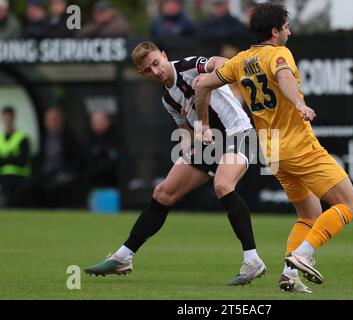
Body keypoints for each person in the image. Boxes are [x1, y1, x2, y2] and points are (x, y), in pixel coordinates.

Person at [195, 3, 353, 293]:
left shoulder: (240, 60)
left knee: (309, 214)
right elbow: (284, 77)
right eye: (285, 27)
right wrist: (299, 103)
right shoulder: (279, 54)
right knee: (348, 204)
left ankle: (289, 274)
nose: (289, 32)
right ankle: (303, 255)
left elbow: (202, 86)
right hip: (297, 145)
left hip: (270, 151)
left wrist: (202, 123)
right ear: (274, 31)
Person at [84, 41, 268, 287]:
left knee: (223, 185)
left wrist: (215, 74)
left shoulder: (188, 66)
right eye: (149, 70)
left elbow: (219, 63)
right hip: (209, 143)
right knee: (162, 193)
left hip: (239, 133)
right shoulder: (167, 98)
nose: (156, 71)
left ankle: (252, 260)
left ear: (164, 55)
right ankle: (123, 257)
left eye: (156, 63)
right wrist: (188, 147)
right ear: (142, 73)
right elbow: (185, 131)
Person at [22, 107, 84, 208]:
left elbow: (77, 160)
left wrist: (69, 173)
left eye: (54, 120)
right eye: (49, 120)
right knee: (29, 187)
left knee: (60, 187)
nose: (51, 124)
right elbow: (38, 159)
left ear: (60, 121)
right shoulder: (43, 138)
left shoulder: (69, 138)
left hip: (61, 175)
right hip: (44, 175)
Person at [0, 107, 31, 207]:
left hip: (19, 178)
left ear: (14, 118)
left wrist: (4, 159)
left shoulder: (22, 137)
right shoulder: (0, 138)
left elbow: (22, 160)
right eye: (6, 117)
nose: (8, 120)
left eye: (10, 117)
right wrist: (12, 157)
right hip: (3, 178)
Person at [87, 111, 118, 189]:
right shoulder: (89, 140)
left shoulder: (116, 138)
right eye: (96, 121)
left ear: (108, 121)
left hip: (114, 182)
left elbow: (116, 159)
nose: (98, 124)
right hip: (93, 183)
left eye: (101, 120)